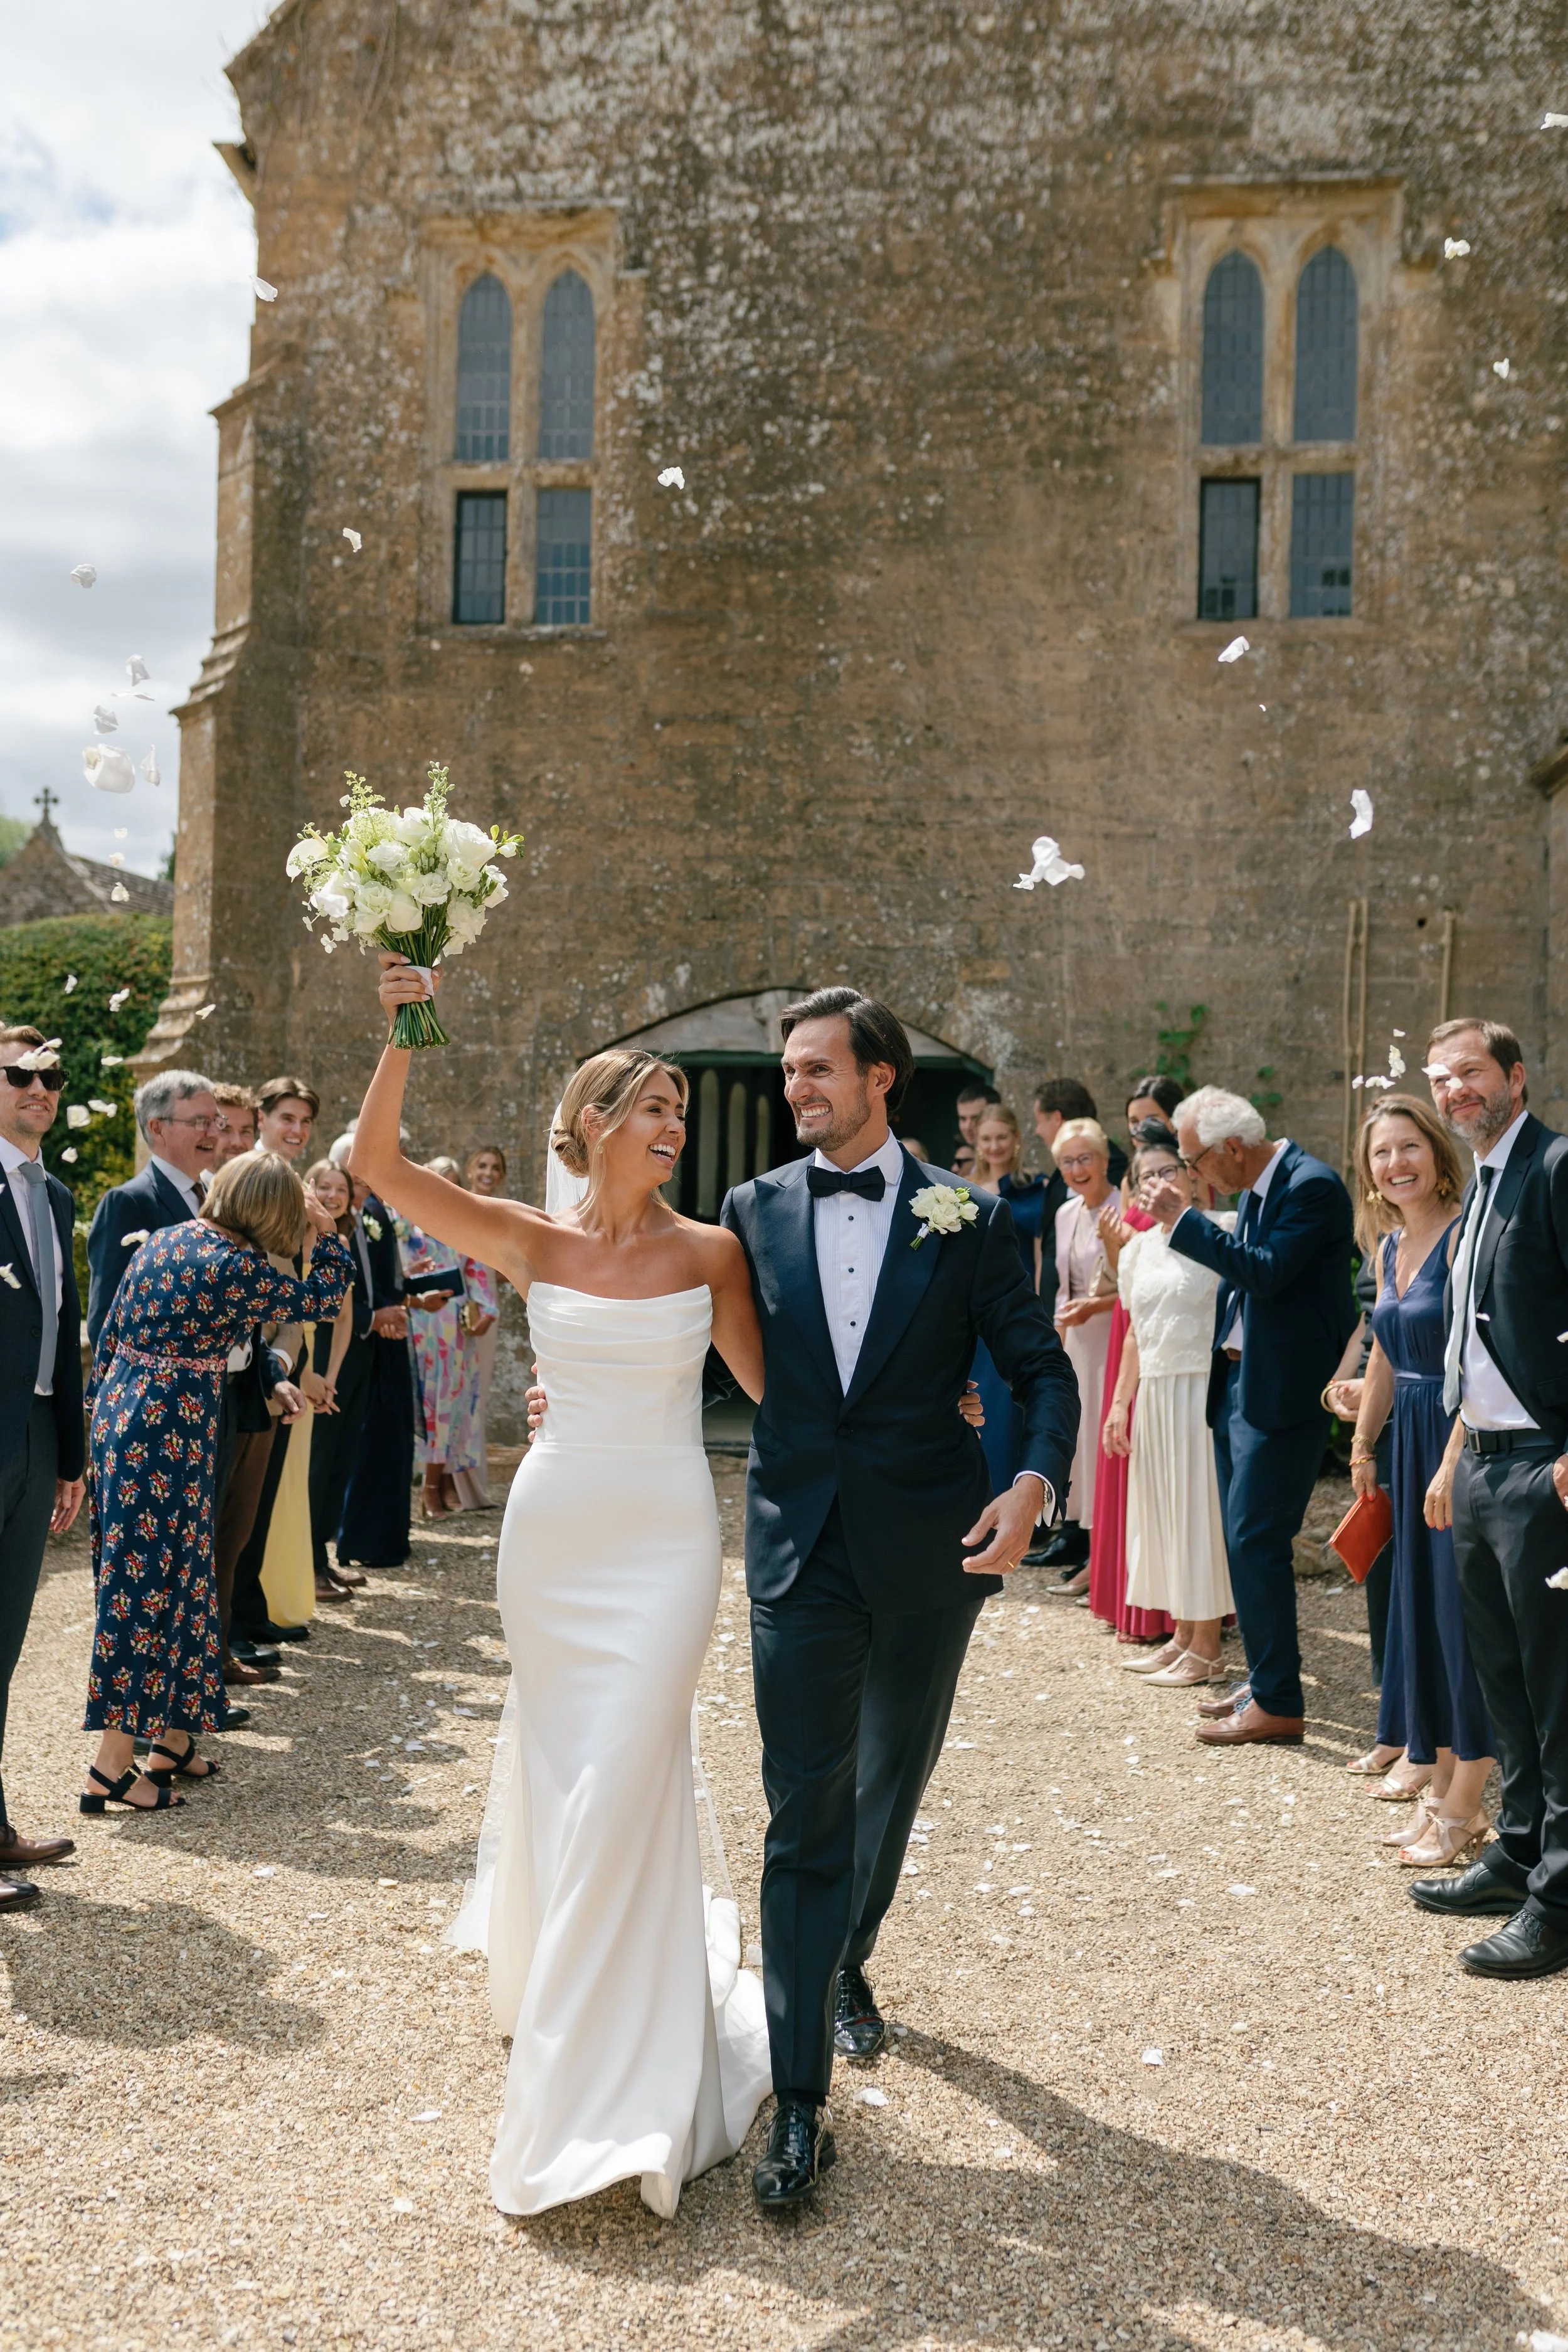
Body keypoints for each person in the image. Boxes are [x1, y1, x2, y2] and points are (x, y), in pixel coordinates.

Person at [354, 955, 773, 2222]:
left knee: (631, 1770)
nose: (674, 1127)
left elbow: (782, 1399)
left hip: (663, 1538)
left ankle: (609, 2071)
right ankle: (580, 2014)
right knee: (565, 1769)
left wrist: (937, 1416)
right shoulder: (525, 1239)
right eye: (655, 1106)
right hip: (553, 1539)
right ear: (594, 1124)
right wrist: (406, 1023)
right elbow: (375, 1162)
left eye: (681, 1115)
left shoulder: (713, 1253)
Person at [715, 987, 1077, 2211]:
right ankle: (799, 2104)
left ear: (880, 1078)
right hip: (796, 1549)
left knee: (886, 1786)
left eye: (816, 1069)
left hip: (935, 1553)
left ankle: (847, 1959)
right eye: (785, 1073)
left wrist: (1031, 1480)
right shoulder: (748, 1209)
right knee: (799, 1811)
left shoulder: (967, 1217)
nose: (795, 1089)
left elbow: (1035, 1365)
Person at [79, 1153, 349, 1815]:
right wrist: (330, 1234)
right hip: (169, 1430)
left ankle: (173, 1740)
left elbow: (109, 1335)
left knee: (185, 1579)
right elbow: (319, 1298)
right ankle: (110, 1769)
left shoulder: (171, 1238)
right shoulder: (235, 1267)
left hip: (127, 1419)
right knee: (150, 1591)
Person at [1405, 1020, 1568, 1979]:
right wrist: (1453, 1459)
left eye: (1470, 1072)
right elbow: (1475, 1345)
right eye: (1441, 1077)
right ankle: (1516, 1852)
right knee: (1504, 1682)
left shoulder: (1553, 1168)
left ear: (1514, 1073)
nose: (1456, 1089)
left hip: (1547, 1466)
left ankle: (1560, 1900)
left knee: (1558, 1695)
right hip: (1483, 1467)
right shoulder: (1479, 1194)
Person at [1143, 1086, 1355, 1747]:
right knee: (1244, 1542)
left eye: (1195, 1160)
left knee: (1254, 1540)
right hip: (1239, 1383)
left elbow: (1265, 1274)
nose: (1193, 1174)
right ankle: (1266, 1682)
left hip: (1282, 1393)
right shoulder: (1257, 1189)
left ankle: (1278, 1701)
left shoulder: (1311, 1185)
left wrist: (1186, 1221)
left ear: (1231, 1147)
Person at [1338, 1095, 1493, 1867]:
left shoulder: (1468, 1236)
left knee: (1466, 1621)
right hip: (1407, 1446)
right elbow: (1384, 1356)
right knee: (1421, 1612)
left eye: (1408, 1148)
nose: (1394, 1164)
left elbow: (1477, 1359)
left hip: (1460, 1440)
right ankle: (1436, 1783)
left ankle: (1465, 1804)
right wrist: (1363, 1445)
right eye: (1380, 1154)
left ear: (1435, 1153)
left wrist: (1448, 1458)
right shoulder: (1387, 1248)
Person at [0, 1027, 84, 1907]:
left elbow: (64, 1328)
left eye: (50, 1075)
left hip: (33, 1437)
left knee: (4, 1648)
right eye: (20, 1073)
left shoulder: (55, 1195)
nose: (40, 1087)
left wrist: (69, 1452)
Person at [1101, 1125, 1233, 1683]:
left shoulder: (1220, 1230)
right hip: (1154, 1390)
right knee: (1162, 1516)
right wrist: (1119, 1404)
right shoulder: (1137, 1252)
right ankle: (1181, 1633)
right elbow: (1134, 1332)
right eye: (1145, 1176)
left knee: (1197, 1513)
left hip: (1201, 1387)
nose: (1156, 1181)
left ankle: (1207, 1646)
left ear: (1191, 1176)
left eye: (1166, 1170)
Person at [86, 1069, 218, 1345]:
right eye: (200, 1122)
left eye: (217, 1121)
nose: (214, 1132)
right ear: (157, 1128)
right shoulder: (129, 1203)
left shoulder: (215, 1197)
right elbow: (107, 1321)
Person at [404, 1158, 502, 1520]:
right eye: (440, 1182)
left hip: (455, 1330)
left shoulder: (464, 1226)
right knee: (425, 1406)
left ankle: (440, 1483)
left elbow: (477, 1269)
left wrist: (487, 1311)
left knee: (451, 1407)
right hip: (419, 1324)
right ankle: (426, 1488)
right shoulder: (408, 1227)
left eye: (453, 1184)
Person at [1047, 1118, 1120, 1594]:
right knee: (1081, 1446)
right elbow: (1063, 1285)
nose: (1077, 1169)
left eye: (1085, 1158)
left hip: (1114, 1336)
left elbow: (1137, 1283)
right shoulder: (1065, 1214)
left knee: (1103, 1444)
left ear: (1105, 1159)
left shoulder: (1125, 1207)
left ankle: (1105, 1560)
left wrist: (1096, 1306)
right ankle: (1092, 1553)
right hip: (1077, 1341)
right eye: (1067, 1161)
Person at [334, 1183, 414, 1574]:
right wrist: (378, 1316)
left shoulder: (375, 1210)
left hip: (386, 1333)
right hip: (367, 1340)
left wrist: (408, 1291)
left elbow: (381, 1276)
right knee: (373, 1441)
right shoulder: (360, 1214)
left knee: (390, 1438)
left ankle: (385, 1537)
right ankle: (364, 1538)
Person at [305, 1162, 376, 1598]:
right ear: (310, 1189)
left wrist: (333, 1375)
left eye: (341, 1189)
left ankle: (322, 1557)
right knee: (314, 1469)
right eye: (325, 1187)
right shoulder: (299, 1236)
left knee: (337, 1466)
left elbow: (347, 1314)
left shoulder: (343, 1241)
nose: (333, 1196)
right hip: (307, 1359)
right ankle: (308, 1566)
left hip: (338, 1362)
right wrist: (315, 1375)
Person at [967, 1105, 1035, 1493]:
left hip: (1018, 1309)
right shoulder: (960, 1189)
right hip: (975, 1313)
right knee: (977, 1403)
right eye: (987, 1139)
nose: (994, 1146)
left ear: (1016, 1139)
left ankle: (1011, 1498)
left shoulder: (1035, 1190)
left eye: (1002, 1137)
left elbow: (1042, 1259)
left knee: (1010, 1408)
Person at [452, 1145, 508, 1510]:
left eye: (495, 1168)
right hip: (460, 1311)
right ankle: (449, 1486)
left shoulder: (503, 1213)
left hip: (488, 1310)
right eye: (482, 1166)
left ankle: (470, 1486)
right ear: (471, 1169)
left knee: (478, 1397)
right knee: (454, 1396)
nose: (488, 1173)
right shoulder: (457, 1206)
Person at [256, 1076, 318, 1162]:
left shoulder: (291, 1173)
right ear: (261, 1119)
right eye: (288, 1119)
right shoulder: (243, 1172)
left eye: (305, 1121)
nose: (298, 1130)